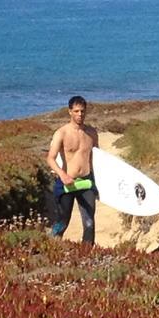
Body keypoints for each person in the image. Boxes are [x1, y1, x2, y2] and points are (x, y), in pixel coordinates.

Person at [46, 95, 99, 244]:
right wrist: (62, 175)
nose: (80, 114)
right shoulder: (61, 133)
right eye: (76, 111)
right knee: (63, 221)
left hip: (86, 182)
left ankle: (86, 256)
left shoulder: (92, 133)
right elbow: (50, 158)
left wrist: (98, 182)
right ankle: (50, 245)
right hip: (66, 182)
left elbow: (97, 158)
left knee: (89, 223)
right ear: (69, 111)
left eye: (82, 111)